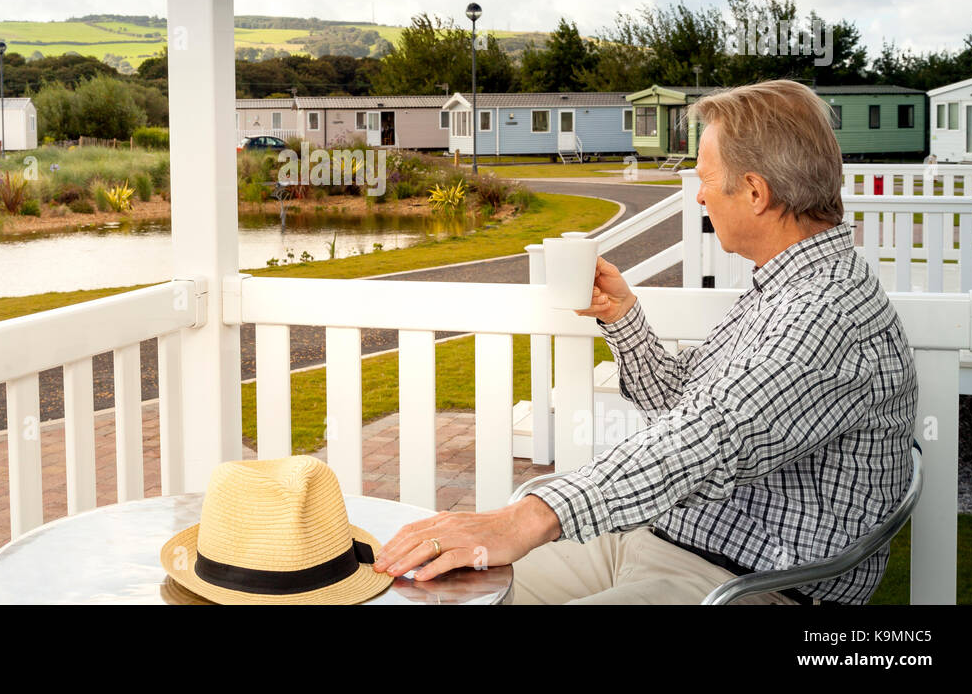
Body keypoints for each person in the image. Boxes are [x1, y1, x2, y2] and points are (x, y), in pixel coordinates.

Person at [372, 80, 918, 604]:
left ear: (755, 192)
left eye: (705, 178)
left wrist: (530, 515)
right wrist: (624, 317)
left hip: (746, 581)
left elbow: (710, 438)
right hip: (663, 535)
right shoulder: (784, 284)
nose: (699, 195)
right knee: (440, 586)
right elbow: (688, 404)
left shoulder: (825, 313)